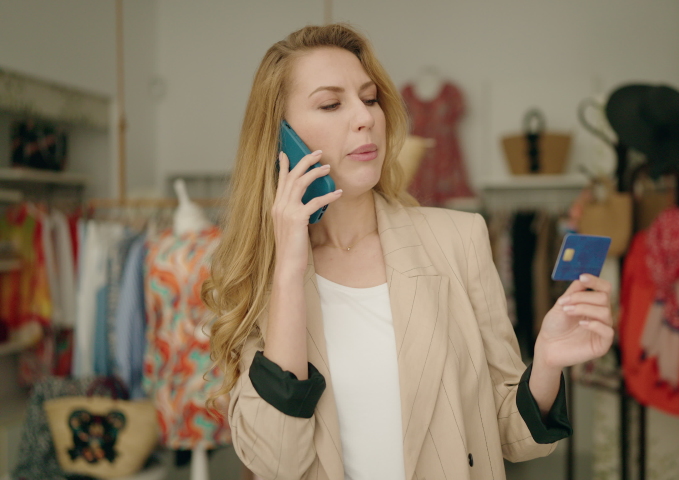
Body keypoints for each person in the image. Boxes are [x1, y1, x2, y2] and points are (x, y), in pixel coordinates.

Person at [201, 23, 614, 480]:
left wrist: (549, 360)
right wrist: (289, 271)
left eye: (370, 97)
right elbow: (277, 461)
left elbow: (508, 435)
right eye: (332, 103)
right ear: (281, 137)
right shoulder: (260, 274)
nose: (364, 117)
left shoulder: (459, 239)